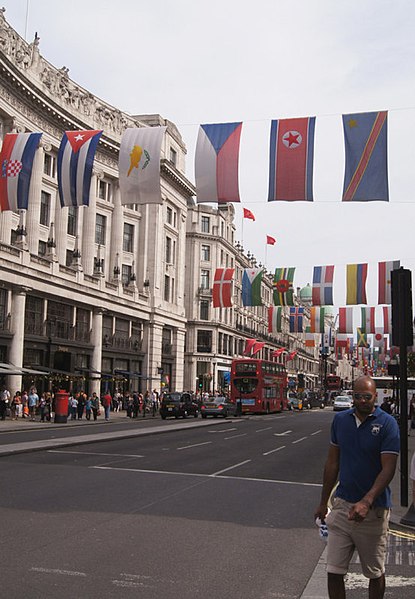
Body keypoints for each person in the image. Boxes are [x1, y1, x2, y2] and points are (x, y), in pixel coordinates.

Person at [314, 375, 400, 599]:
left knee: (374, 573)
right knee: (333, 571)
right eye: (358, 396)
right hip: (342, 507)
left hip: (374, 511)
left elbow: (388, 468)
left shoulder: (387, 424)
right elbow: (333, 462)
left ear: (375, 397)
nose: (362, 401)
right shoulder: (340, 420)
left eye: (367, 397)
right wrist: (323, 502)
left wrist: (367, 500)